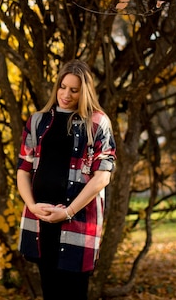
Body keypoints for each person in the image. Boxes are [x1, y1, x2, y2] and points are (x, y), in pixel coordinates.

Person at [16, 59, 116, 300]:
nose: (66, 94)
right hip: (42, 219)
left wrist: (68, 211)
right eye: (62, 87)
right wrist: (32, 206)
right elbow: (23, 170)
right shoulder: (38, 121)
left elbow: (102, 177)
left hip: (78, 221)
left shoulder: (97, 123)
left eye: (74, 89)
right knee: (50, 292)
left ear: (85, 91)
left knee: (74, 293)